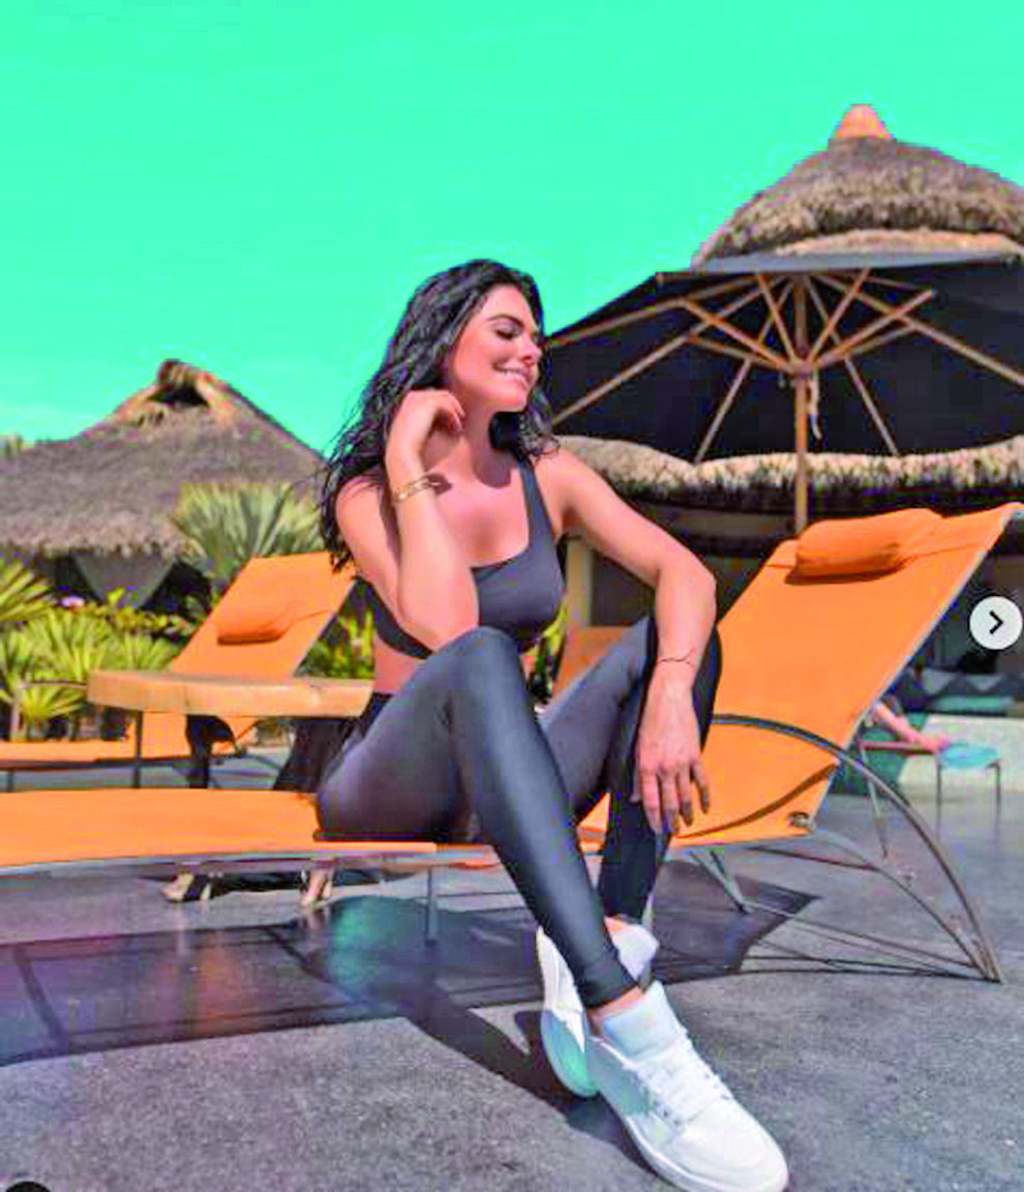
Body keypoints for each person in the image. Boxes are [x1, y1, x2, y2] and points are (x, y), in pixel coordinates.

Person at [313, 259, 789, 1192]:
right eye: (507, 331)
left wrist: (669, 695)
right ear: (442, 341)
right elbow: (447, 626)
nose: (532, 349)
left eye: (536, 336)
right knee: (482, 656)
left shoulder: (549, 475)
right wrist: (409, 463)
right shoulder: (368, 491)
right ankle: (624, 1016)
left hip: (505, 775)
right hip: (390, 776)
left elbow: (686, 575)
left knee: (673, 639)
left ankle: (614, 929)